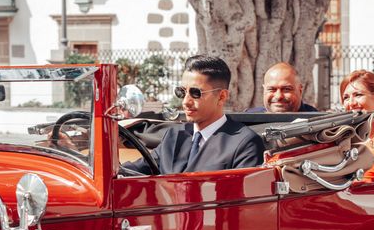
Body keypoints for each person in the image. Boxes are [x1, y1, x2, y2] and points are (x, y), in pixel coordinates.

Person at [123, 54, 265, 175]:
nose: (186, 102)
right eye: (182, 92)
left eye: (196, 93)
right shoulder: (174, 136)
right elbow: (134, 171)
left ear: (221, 96)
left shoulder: (245, 144)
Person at [247, 62, 318, 113]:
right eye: (271, 89)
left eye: (286, 89)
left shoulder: (318, 122)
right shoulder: (247, 120)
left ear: (300, 91)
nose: (278, 96)